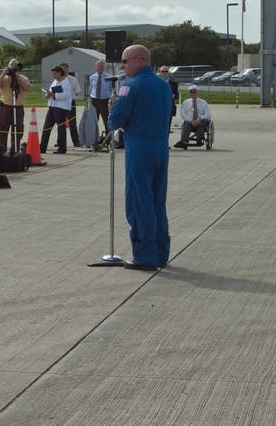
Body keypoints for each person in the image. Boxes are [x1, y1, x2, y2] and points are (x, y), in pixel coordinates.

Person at [108, 44, 173, 270]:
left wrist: (113, 108)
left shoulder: (130, 87)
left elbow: (115, 121)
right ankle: (161, 253)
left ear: (139, 60)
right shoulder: (164, 86)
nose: (123, 67)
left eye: (125, 62)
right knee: (157, 201)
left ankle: (144, 255)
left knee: (139, 201)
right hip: (161, 148)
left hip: (139, 148)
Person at [0, 59, 30, 150]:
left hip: (18, 108)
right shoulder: (4, 78)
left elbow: (28, 88)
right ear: (8, 66)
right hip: (6, 107)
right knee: (2, 130)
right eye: (11, 65)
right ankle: (2, 150)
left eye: (16, 65)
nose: (13, 66)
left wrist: (17, 76)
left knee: (18, 130)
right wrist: (3, 74)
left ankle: (15, 150)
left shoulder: (23, 78)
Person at [40, 65, 74, 155]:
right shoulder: (55, 81)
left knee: (61, 127)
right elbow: (50, 91)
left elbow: (66, 95)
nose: (54, 76)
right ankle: (42, 147)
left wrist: (54, 95)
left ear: (60, 73)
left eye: (55, 74)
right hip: (52, 106)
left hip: (61, 108)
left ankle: (62, 148)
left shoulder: (66, 83)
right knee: (46, 127)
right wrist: (47, 95)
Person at [172, 84, 212, 148]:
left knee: (204, 121)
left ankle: (199, 139)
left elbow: (208, 114)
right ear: (189, 93)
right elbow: (183, 114)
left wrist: (200, 118)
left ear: (197, 92)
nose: (193, 93)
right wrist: (191, 120)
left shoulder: (203, 102)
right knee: (186, 122)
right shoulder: (186, 102)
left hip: (200, 122)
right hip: (190, 123)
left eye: (194, 91)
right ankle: (183, 141)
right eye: (191, 92)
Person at [88, 59, 112, 132]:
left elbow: (110, 89)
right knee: (94, 119)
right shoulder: (92, 77)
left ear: (104, 67)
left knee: (106, 119)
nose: (100, 68)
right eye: (99, 66)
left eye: (102, 66)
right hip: (94, 100)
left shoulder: (108, 77)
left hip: (104, 100)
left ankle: (108, 138)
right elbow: (91, 88)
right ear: (96, 67)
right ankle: (94, 138)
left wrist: (109, 99)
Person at [63, 63, 83, 147]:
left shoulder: (73, 80)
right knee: (61, 123)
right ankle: (61, 142)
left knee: (72, 123)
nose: (63, 70)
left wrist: (73, 95)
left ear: (68, 69)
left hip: (71, 102)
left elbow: (78, 91)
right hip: (61, 103)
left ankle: (76, 141)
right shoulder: (58, 80)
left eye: (65, 68)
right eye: (62, 68)